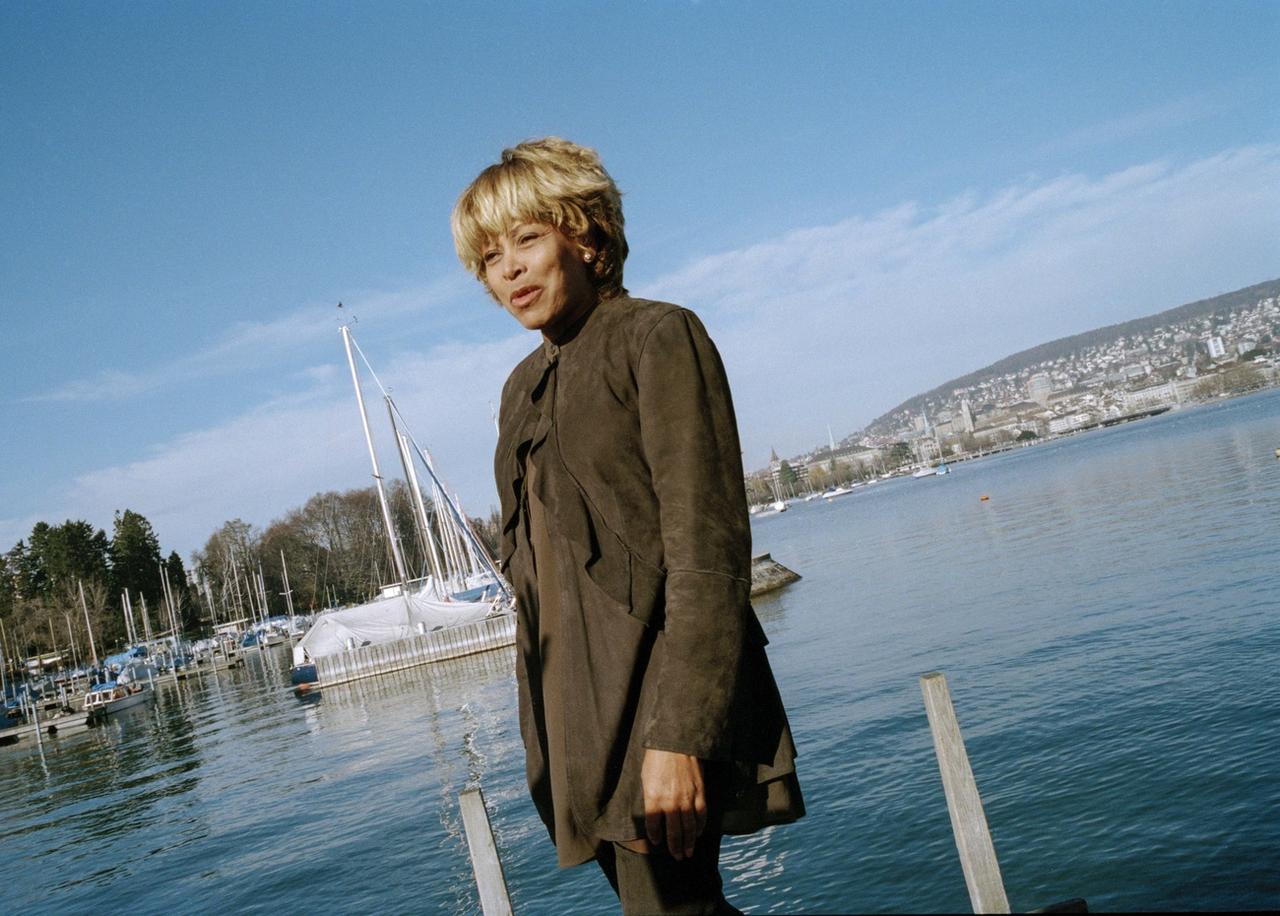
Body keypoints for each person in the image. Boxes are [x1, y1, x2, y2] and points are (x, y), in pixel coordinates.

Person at [452, 137, 804, 915]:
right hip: (576, 724)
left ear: (586, 235)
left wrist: (679, 737)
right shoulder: (521, 388)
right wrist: (547, 750)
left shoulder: (658, 336)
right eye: (487, 255)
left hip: (656, 707)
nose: (506, 268)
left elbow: (708, 552)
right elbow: (537, 582)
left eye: (527, 239)